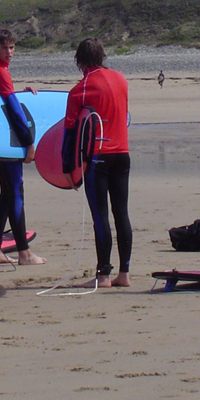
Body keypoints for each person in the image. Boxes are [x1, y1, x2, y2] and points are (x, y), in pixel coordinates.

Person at [62, 37, 131, 288]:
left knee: (100, 216)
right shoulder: (121, 79)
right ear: (103, 56)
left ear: (79, 61)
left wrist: (67, 169)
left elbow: (70, 134)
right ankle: (124, 274)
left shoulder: (79, 90)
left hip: (98, 158)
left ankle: (103, 276)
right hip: (123, 155)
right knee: (121, 213)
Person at [0, 29, 45, 265]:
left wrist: (21, 95)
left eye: (13, 47)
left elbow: (4, 102)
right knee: (16, 192)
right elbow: (14, 112)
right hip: (9, 141)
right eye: (5, 48)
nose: (10, 52)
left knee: (8, 194)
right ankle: (24, 253)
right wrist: (28, 142)